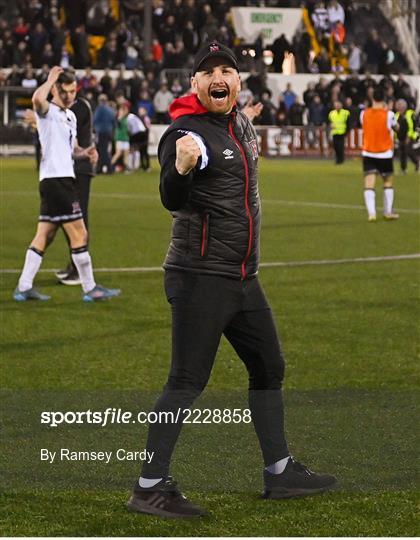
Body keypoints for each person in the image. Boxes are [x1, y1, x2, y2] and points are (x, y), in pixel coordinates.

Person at [127, 42, 337, 519]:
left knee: (269, 366)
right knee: (185, 381)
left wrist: (249, 116)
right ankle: (149, 486)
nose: (218, 78)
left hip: (243, 277)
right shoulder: (187, 133)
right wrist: (180, 168)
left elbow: (235, 146)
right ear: (194, 84)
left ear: (238, 82)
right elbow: (170, 196)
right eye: (208, 73)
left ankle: (279, 471)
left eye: (227, 71)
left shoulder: (239, 123)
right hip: (200, 276)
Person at [13, 66, 121, 302]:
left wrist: (86, 153)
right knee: (80, 233)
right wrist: (50, 78)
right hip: (56, 180)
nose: (71, 96)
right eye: (66, 91)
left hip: (60, 179)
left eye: (74, 91)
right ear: (55, 90)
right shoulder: (46, 111)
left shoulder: (70, 116)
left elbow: (71, 150)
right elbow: (36, 98)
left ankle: (23, 286)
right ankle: (90, 288)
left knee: (45, 235)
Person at [56, 95, 98, 285]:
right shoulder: (67, 106)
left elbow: (74, 140)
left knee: (78, 218)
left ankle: (79, 270)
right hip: (69, 167)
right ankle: (74, 264)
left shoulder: (79, 107)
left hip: (80, 168)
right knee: (68, 217)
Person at [360, 87, 399, 222]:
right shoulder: (389, 114)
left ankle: (372, 213)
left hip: (368, 152)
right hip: (384, 153)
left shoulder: (363, 114)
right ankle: (388, 212)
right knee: (387, 182)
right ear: (383, 99)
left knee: (369, 183)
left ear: (372, 99)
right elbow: (396, 127)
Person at [394, 99, 419, 174]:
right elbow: (395, 127)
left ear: (405, 106)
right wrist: (396, 138)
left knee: (408, 151)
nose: (399, 107)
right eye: (398, 106)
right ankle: (403, 169)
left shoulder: (410, 113)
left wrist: (409, 136)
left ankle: (417, 163)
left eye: (401, 106)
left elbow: (412, 126)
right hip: (400, 137)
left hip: (409, 136)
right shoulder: (396, 115)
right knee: (402, 153)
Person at [93, 94, 116, 174]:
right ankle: (100, 168)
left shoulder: (100, 109)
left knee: (102, 151)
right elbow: (114, 122)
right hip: (109, 132)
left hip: (101, 132)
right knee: (104, 150)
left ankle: (109, 168)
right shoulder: (110, 110)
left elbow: (94, 119)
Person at [111, 103, 130, 172]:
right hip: (119, 138)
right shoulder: (118, 119)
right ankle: (110, 165)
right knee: (118, 153)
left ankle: (126, 168)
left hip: (126, 138)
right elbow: (118, 125)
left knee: (126, 154)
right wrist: (120, 115)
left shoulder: (126, 119)